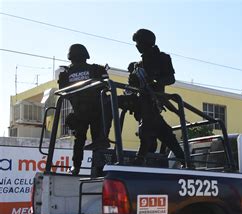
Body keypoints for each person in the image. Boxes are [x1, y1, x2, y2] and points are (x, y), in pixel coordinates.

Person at [121, 29, 184, 165]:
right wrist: (131, 87)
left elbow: (170, 79)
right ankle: (185, 160)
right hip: (141, 103)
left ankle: (140, 159)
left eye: (138, 42)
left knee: (147, 129)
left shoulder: (162, 58)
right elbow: (131, 87)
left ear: (146, 42)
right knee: (164, 133)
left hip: (154, 101)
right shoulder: (138, 65)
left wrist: (155, 81)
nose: (137, 46)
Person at [58, 44, 111, 175]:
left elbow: (63, 93)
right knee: (98, 141)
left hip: (80, 113)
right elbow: (107, 85)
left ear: (70, 57)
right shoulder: (96, 69)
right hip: (96, 112)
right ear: (85, 55)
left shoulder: (65, 74)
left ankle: (76, 167)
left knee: (79, 140)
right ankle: (98, 169)